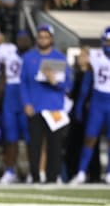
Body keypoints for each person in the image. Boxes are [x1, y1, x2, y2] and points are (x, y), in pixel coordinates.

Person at [20, 24, 72, 183]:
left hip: (54, 107)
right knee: (34, 144)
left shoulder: (59, 58)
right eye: (40, 37)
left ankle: (52, 176)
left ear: (51, 39)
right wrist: (26, 103)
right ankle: (35, 175)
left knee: (55, 145)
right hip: (35, 107)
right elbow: (23, 83)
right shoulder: (28, 58)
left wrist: (54, 81)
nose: (43, 40)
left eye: (46, 37)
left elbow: (68, 86)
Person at [70, 27, 110, 184]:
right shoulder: (95, 56)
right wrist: (79, 105)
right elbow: (86, 83)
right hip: (98, 102)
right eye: (107, 41)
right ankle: (81, 172)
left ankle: (108, 173)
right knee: (89, 138)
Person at [0, 30, 33, 184]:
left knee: (30, 138)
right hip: (11, 98)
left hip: (27, 98)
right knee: (10, 138)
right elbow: (2, 79)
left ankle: (34, 170)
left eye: (25, 39)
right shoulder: (8, 55)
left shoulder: (34, 57)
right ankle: (10, 171)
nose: (22, 41)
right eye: (19, 39)